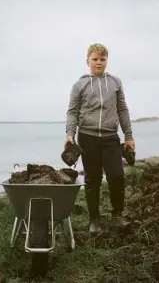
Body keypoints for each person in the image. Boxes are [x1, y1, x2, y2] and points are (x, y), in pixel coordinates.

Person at [64, 43, 135, 234]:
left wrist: (128, 136)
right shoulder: (79, 85)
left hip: (111, 137)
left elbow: (122, 110)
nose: (99, 63)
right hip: (88, 138)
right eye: (95, 59)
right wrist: (70, 134)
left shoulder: (115, 83)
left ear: (107, 61)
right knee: (92, 179)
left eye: (102, 59)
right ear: (87, 61)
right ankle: (94, 220)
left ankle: (117, 215)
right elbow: (72, 112)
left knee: (117, 176)